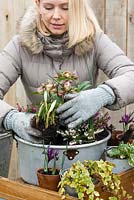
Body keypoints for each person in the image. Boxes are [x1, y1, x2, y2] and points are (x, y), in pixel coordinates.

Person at [1, 0, 134, 143]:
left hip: (86, 142)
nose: (56, 16)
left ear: (77, 7)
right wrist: (11, 118)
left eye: (66, 8)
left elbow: (130, 75)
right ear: (38, 4)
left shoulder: (94, 40)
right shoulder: (20, 46)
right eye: (48, 7)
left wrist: (104, 94)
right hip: (39, 143)